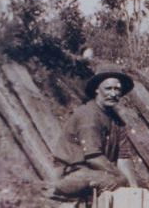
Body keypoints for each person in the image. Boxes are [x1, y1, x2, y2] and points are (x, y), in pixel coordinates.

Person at [52, 64, 139, 198]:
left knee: (138, 186)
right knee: (115, 181)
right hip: (71, 173)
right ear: (97, 90)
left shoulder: (117, 121)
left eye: (117, 89)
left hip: (96, 171)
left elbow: (123, 157)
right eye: (108, 88)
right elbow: (93, 157)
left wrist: (134, 189)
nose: (113, 94)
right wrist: (121, 177)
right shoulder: (89, 115)